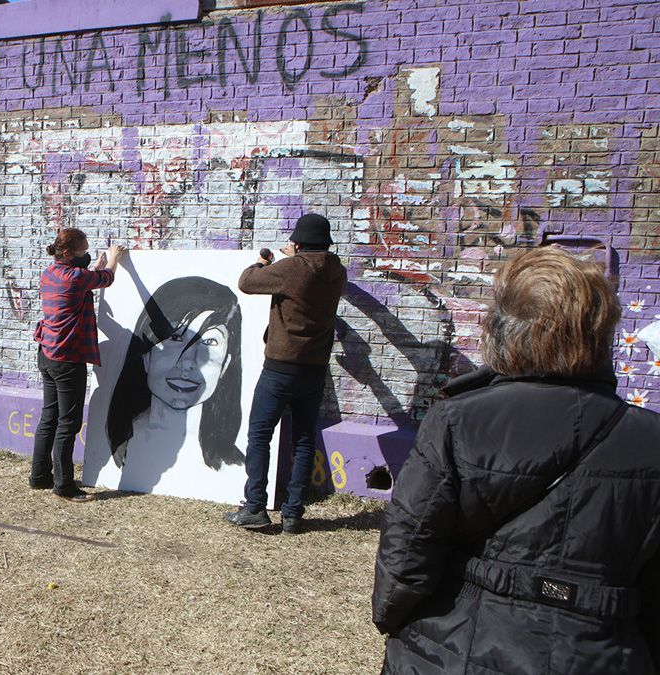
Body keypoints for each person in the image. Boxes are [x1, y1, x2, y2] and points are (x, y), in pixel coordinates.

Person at [372, 246, 660, 673]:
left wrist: (394, 619)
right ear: (600, 333)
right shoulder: (650, 440)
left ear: (503, 329)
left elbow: (408, 551)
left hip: (453, 647)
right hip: (600, 653)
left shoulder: (458, 420)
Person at [224, 213, 346, 534]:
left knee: (260, 435)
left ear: (298, 243)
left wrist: (263, 262)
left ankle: (255, 507)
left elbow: (247, 281)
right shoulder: (337, 270)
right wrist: (296, 257)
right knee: (303, 441)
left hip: (280, 368)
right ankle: (292, 514)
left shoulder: (292, 268)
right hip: (315, 369)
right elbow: (311, 269)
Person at [106, 276, 244, 477]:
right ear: (146, 353)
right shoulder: (126, 447)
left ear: (226, 363)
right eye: (175, 337)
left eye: (210, 342)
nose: (188, 363)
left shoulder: (234, 468)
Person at [31, 228, 125, 502]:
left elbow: (82, 282)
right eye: (83, 250)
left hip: (47, 353)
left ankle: (39, 476)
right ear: (70, 252)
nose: (86, 254)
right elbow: (106, 278)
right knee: (68, 423)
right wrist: (113, 259)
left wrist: (93, 267)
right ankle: (63, 486)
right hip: (68, 359)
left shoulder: (50, 273)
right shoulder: (76, 277)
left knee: (49, 417)